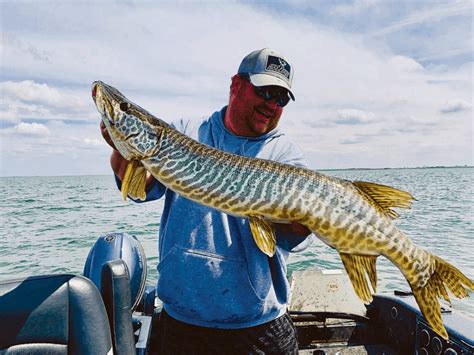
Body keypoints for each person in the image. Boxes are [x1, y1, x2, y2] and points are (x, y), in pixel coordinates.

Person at [101, 48, 314, 354]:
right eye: (264, 91)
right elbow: (138, 189)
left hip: (259, 327)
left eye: (280, 98)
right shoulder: (186, 132)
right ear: (236, 85)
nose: (271, 103)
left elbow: (297, 233)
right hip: (182, 323)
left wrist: (303, 221)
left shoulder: (286, 156)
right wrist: (122, 148)